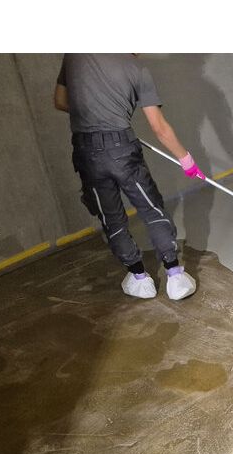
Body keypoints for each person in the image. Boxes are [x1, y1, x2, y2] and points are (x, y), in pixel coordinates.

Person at [54, 53, 206, 300]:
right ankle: (175, 277)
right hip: (122, 149)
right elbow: (159, 128)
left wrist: (96, 114)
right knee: (151, 209)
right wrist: (186, 160)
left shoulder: (73, 54)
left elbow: (60, 101)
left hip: (87, 153)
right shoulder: (137, 68)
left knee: (111, 218)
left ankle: (139, 279)